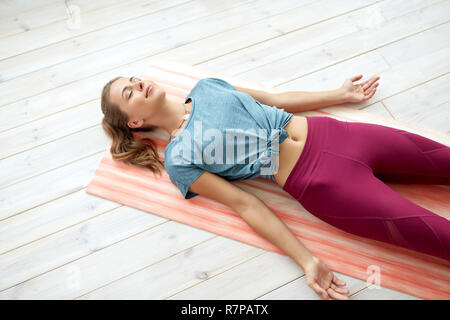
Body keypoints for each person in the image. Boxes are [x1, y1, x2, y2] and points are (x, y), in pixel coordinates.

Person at [100, 74, 450, 300]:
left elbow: (274, 98)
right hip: (323, 184)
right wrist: (307, 260)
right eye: (128, 92)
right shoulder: (179, 159)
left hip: (342, 134)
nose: (138, 83)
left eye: (134, 78)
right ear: (135, 121)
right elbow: (245, 204)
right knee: (439, 237)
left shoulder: (207, 86)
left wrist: (339, 93)